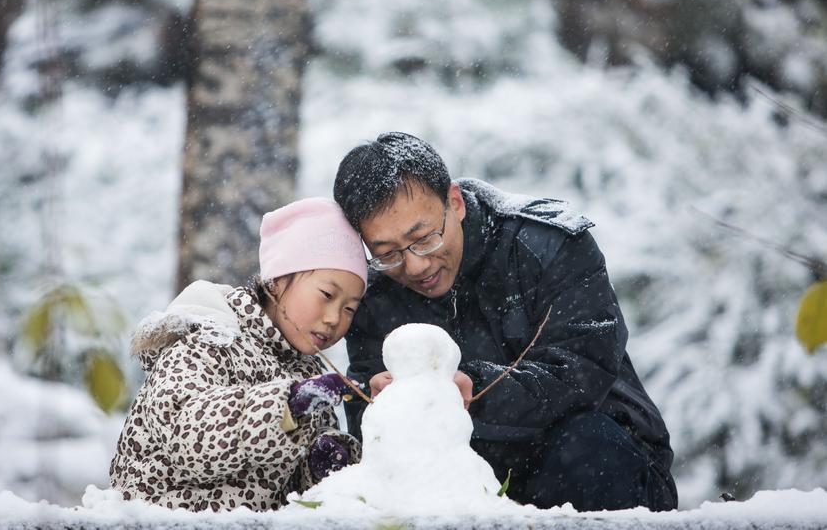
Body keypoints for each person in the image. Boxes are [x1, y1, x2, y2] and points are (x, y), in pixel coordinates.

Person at [333, 132, 678, 512]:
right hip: (460, 482)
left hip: (600, 461)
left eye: (424, 238)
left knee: (585, 445)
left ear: (455, 202)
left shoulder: (548, 245)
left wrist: (472, 390)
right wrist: (378, 400)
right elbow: (364, 408)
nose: (415, 265)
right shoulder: (374, 291)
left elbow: (584, 371)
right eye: (388, 253)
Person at [109, 198, 367, 512]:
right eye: (327, 295)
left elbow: (286, 490)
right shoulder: (209, 338)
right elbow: (187, 436)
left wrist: (320, 462)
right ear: (277, 279)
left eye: (349, 309)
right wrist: (285, 406)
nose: (334, 318)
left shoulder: (308, 375)